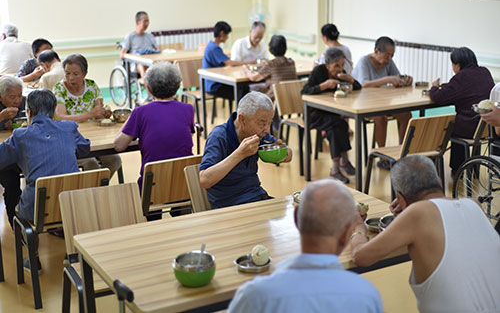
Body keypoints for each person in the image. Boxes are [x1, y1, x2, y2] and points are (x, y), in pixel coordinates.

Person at [351, 155, 500, 313]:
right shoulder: (474, 204)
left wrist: (358, 228)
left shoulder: (418, 214)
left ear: (400, 198)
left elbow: (360, 257)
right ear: (440, 182)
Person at [228, 179, 383, 313]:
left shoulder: (254, 296)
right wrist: (359, 231)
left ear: (296, 219)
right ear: (346, 233)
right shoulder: (366, 296)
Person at [0, 90, 90, 272]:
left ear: (29, 113)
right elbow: (85, 148)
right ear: (54, 111)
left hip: (37, 209)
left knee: (18, 208)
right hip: (70, 204)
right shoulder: (69, 128)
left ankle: (34, 259)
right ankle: (71, 256)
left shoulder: (21, 135)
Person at [114, 62, 194, 219]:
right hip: (182, 184)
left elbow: (119, 145)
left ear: (148, 88)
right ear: (178, 86)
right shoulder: (188, 109)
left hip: (152, 187)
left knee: (151, 190)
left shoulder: (140, 112)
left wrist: (130, 120)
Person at [199, 92, 292, 208]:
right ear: (242, 119)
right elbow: (204, 180)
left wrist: (282, 151)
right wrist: (240, 153)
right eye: (262, 123)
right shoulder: (219, 136)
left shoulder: (259, 135)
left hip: (256, 197)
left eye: (270, 123)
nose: (267, 130)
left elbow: (289, 155)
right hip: (229, 205)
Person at [53, 54, 121, 178]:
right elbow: (60, 118)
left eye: (75, 74)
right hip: (70, 139)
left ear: (85, 73)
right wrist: (91, 114)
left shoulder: (91, 86)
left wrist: (104, 113)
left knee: (115, 160)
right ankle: (90, 193)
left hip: (93, 137)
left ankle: (98, 188)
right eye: (67, 73)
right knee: (91, 164)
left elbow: (98, 114)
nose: (70, 78)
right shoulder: (59, 89)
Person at [429, 47, 494, 175]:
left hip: (468, 128)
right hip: (486, 126)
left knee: (445, 127)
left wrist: (434, 87)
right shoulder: (484, 72)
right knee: (458, 122)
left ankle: (449, 169)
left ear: (458, 65)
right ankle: (463, 170)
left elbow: (439, 98)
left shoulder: (461, 77)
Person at [352, 36, 412, 169]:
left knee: (406, 115)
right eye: (387, 55)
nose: (389, 59)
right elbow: (364, 84)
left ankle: (401, 153)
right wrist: (387, 80)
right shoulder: (364, 61)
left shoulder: (388, 62)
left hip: (384, 102)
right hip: (363, 104)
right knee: (381, 118)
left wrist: (404, 80)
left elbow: (396, 76)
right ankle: (382, 156)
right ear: (377, 51)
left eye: (392, 55)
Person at [302, 48, 359, 183]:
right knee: (337, 126)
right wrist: (324, 85)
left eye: (342, 65)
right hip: (314, 114)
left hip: (331, 113)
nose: (340, 69)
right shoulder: (319, 72)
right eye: (336, 66)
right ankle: (337, 167)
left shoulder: (342, 74)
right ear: (327, 65)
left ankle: (341, 164)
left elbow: (358, 88)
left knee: (341, 124)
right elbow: (305, 91)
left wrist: (351, 80)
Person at [0, 75, 26, 228]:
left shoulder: (25, 102)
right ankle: (17, 226)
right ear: (1, 97)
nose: (17, 100)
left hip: (21, 151)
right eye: (12, 97)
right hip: (3, 157)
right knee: (11, 183)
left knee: (41, 174)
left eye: (19, 95)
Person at [202, 21, 247, 101]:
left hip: (214, 83)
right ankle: (240, 112)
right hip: (214, 85)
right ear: (222, 33)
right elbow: (230, 63)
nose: (228, 37)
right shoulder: (214, 48)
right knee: (242, 90)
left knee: (243, 88)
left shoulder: (212, 45)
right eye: (227, 35)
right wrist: (250, 62)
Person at [243, 35, 297, 101]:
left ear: (270, 49)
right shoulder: (291, 62)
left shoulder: (271, 64)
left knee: (252, 91)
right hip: (292, 100)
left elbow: (254, 78)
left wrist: (246, 69)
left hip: (274, 100)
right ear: (285, 48)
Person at [120, 11, 158, 79]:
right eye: (145, 21)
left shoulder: (150, 36)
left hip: (150, 61)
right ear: (138, 22)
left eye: (148, 21)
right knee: (142, 66)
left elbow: (158, 50)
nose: (147, 23)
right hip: (136, 64)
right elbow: (122, 54)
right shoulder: (130, 37)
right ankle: (149, 88)